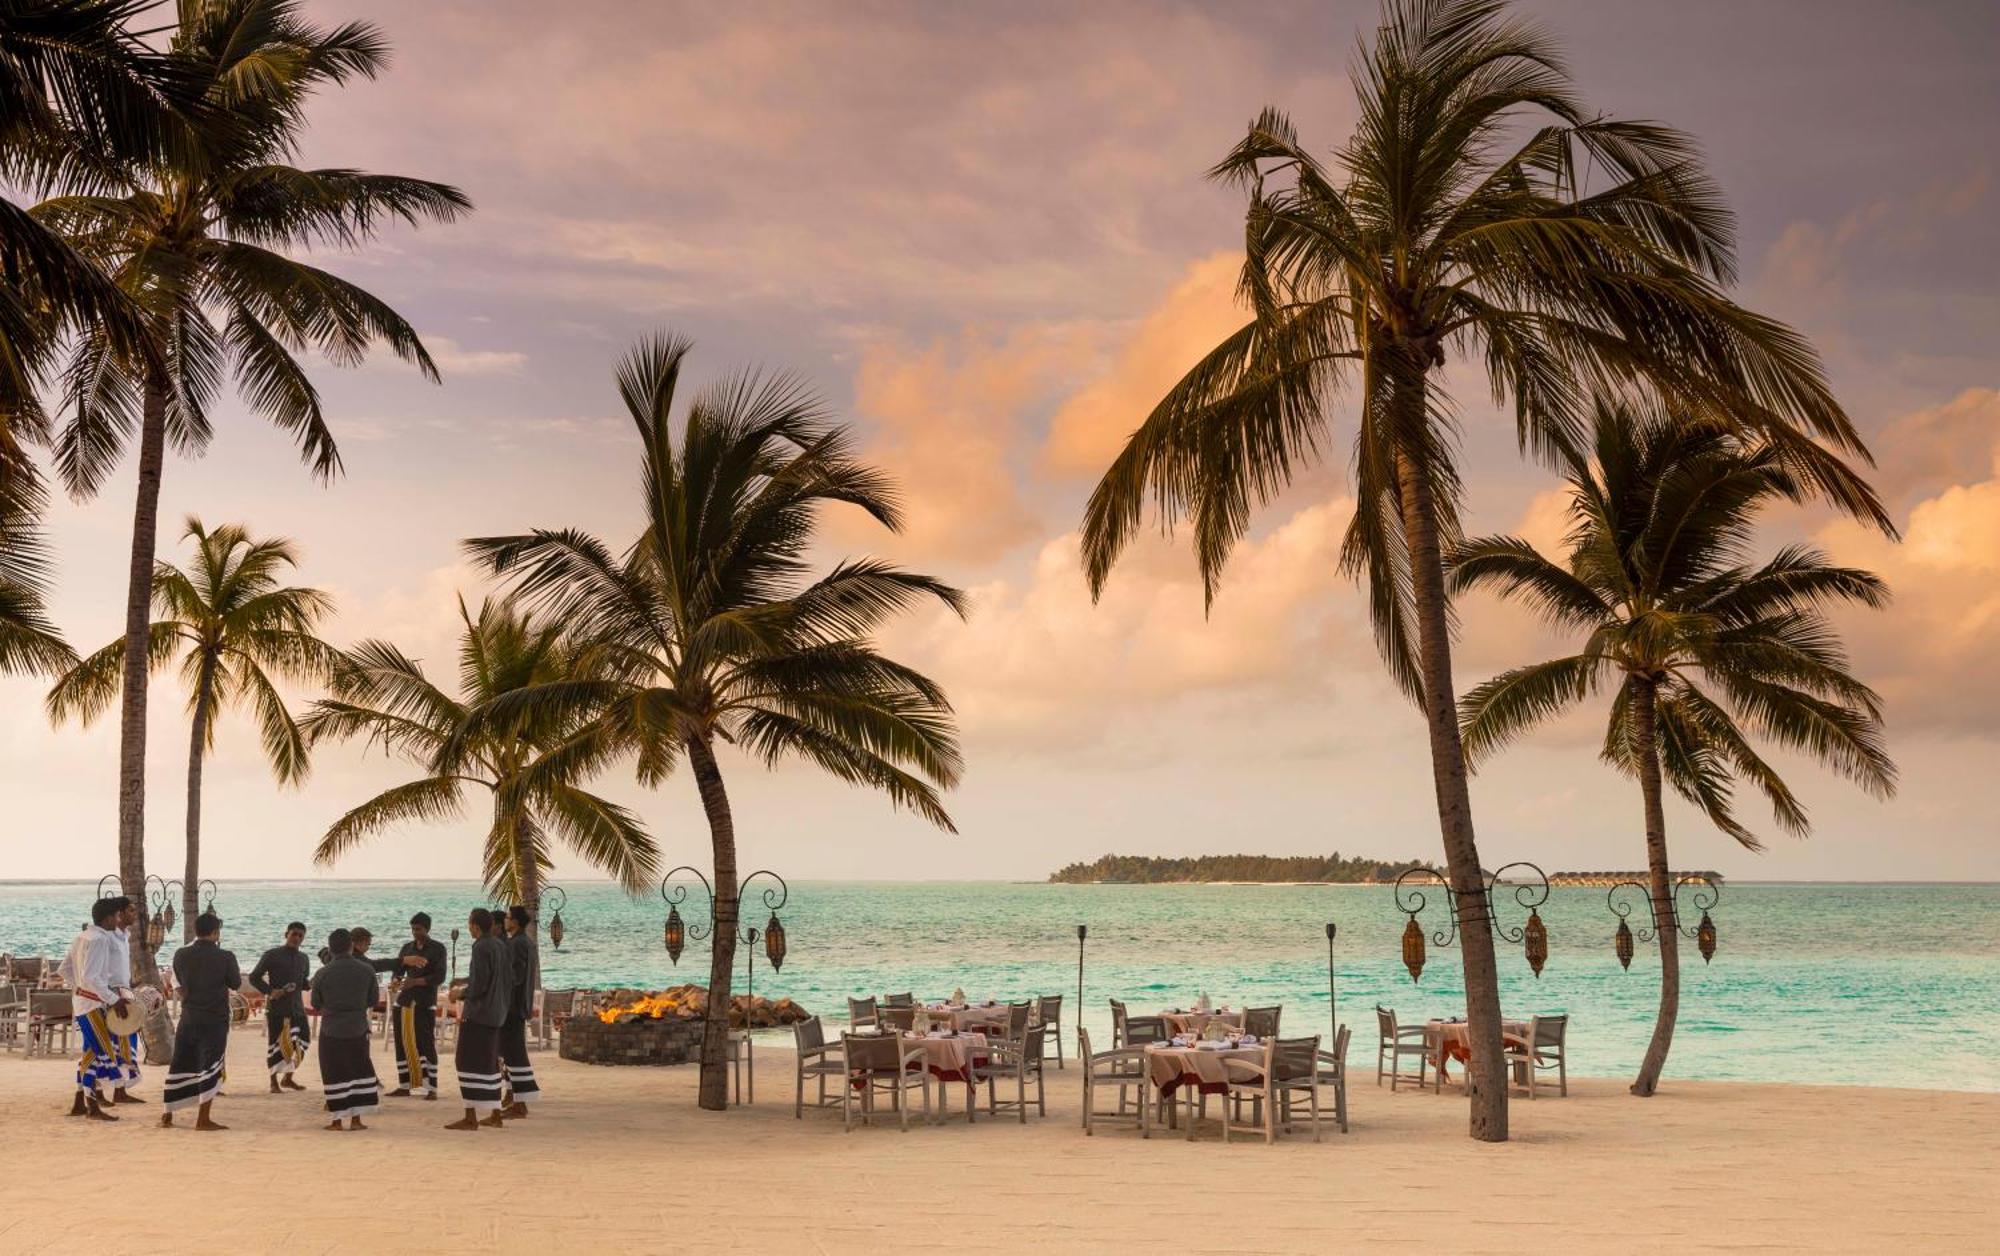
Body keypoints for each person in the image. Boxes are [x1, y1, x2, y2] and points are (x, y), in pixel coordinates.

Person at [58, 896, 135, 1120]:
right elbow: (93, 977)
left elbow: (64, 970)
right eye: (117, 916)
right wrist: (113, 999)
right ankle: (91, 1106)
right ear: (109, 917)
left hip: (82, 1002)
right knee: (101, 1053)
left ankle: (80, 1101)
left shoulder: (81, 936)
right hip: (94, 1004)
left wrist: (78, 989)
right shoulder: (100, 939)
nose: (118, 920)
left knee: (91, 1052)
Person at [163, 912, 240, 1130]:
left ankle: (168, 1115)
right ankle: (203, 1119)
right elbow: (234, 983)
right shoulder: (225, 956)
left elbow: (179, 982)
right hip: (214, 1017)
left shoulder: (180, 954)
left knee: (180, 1061)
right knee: (210, 1065)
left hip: (189, 1016)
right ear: (215, 932)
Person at [310, 929, 382, 1132]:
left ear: (330, 949)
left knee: (334, 1073)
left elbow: (316, 1003)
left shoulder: (322, 973)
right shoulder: (366, 970)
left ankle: (337, 1121)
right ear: (351, 946)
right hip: (357, 1027)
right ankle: (356, 1120)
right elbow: (373, 1000)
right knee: (356, 1070)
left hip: (332, 1029)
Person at [446, 908, 509, 1131]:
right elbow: (493, 977)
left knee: (465, 1060)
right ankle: (495, 1113)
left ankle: (470, 1116)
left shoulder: (481, 946)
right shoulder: (500, 945)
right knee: (490, 1061)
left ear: (474, 925)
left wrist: (459, 993)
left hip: (480, 1014)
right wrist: (465, 980)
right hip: (497, 1012)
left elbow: (481, 984)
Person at [382, 913, 448, 1100]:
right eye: (412, 929)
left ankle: (431, 1088)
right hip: (403, 1003)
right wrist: (395, 981)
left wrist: (416, 982)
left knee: (425, 1044)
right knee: (402, 1043)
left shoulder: (437, 949)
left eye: (418, 929)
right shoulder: (407, 948)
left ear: (427, 929)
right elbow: (398, 970)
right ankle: (404, 1086)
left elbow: (440, 977)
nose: (414, 932)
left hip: (424, 1003)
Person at [248, 922, 312, 1092]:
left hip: (297, 1008)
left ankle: (288, 1078)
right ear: (286, 934)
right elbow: (254, 977)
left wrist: (310, 984)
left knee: (303, 1041)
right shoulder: (272, 955)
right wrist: (270, 991)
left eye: (300, 935)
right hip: (277, 1008)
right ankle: (273, 1082)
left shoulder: (304, 958)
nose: (297, 938)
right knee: (275, 1045)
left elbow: (304, 982)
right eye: (294, 934)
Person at [499, 905, 541, 1117]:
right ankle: (515, 1097)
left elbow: (514, 977)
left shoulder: (516, 944)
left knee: (514, 1054)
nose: (505, 921)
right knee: (511, 1052)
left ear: (514, 921)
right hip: (519, 1005)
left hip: (512, 1007)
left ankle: (521, 1103)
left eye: (507, 917)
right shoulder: (526, 943)